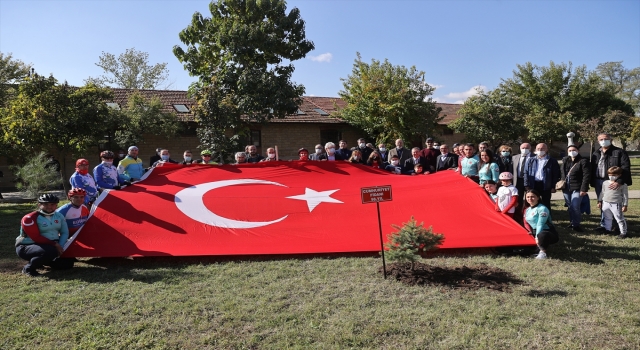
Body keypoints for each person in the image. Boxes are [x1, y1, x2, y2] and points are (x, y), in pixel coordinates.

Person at [15, 194, 74, 277]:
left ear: (56, 205)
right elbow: (36, 237)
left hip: (50, 246)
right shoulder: (29, 218)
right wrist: (56, 245)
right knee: (50, 251)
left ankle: (41, 261)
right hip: (27, 246)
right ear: (39, 205)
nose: (49, 207)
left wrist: (60, 246)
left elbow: (64, 232)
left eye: (52, 204)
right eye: (46, 204)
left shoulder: (59, 216)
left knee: (68, 263)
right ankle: (28, 269)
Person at [591, 133, 632, 232]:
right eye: (601, 139)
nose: (603, 141)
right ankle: (605, 225)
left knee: (615, 204)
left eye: (606, 139)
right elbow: (592, 168)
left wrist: (619, 181)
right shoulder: (596, 153)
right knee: (603, 204)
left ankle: (617, 226)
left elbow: (625, 168)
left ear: (611, 139)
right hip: (599, 182)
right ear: (598, 141)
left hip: (613, 183)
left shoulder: (619, 152)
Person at [561, 145, 591, 232]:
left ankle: (576, 224)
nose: (572, 151)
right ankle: (572, 222)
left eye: (574, 150)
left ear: (578, 150)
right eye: (570, 150)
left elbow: (586, 176)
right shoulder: (566, 161)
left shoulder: (583, 161)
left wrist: (584, 189)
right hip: (566, 188)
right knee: (570, 206)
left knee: (575, 206)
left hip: (578, 187)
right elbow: (562, 172)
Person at [523, 189, 559, 260]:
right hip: (534, 231)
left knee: (542, 235)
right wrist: (529, 232)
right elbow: (526, 222)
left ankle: (543, 253)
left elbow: (540, 224)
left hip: (546, 232)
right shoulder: (527, 210)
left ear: (538, 198)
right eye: (528, 197)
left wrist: (536, 237)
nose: (530, 199)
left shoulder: (542, 209)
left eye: (533, 196)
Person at [523, 143, 560, 209]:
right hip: (533, 184)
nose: (540, 150)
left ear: (546, 149)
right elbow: (526, 173)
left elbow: (555, 174)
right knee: (533, 203)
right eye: (538, 149)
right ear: (535, 150)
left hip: (546, 185)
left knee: (546, 203)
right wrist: (526, 185)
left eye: (542, 149)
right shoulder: (530, 160)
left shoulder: (552, 161)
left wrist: (553, 186)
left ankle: (547, 218)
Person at [598, 166, 629, 238]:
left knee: (619, 218)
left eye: (614, 175)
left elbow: (625, 196)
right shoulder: (605, 183)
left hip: (616, 204)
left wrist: (625, 205)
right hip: (606, 203)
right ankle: (607, 229)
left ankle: (623, 232)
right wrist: (599, 201)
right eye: (609, 175)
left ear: (619, 175)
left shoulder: (622, 185)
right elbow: (602, 192)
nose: (611, 177)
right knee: (607, 217)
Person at [512, 143, 533, 222]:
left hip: (529, 181)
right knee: (518, 200)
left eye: (527, 147)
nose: (525, 149)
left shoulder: (534, 157)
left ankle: (529, 216)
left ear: (530, 148)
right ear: (520, 148)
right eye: (523, 147)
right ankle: (518, 217)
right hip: (518, 181)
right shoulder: (514, 157)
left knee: (529, 199)